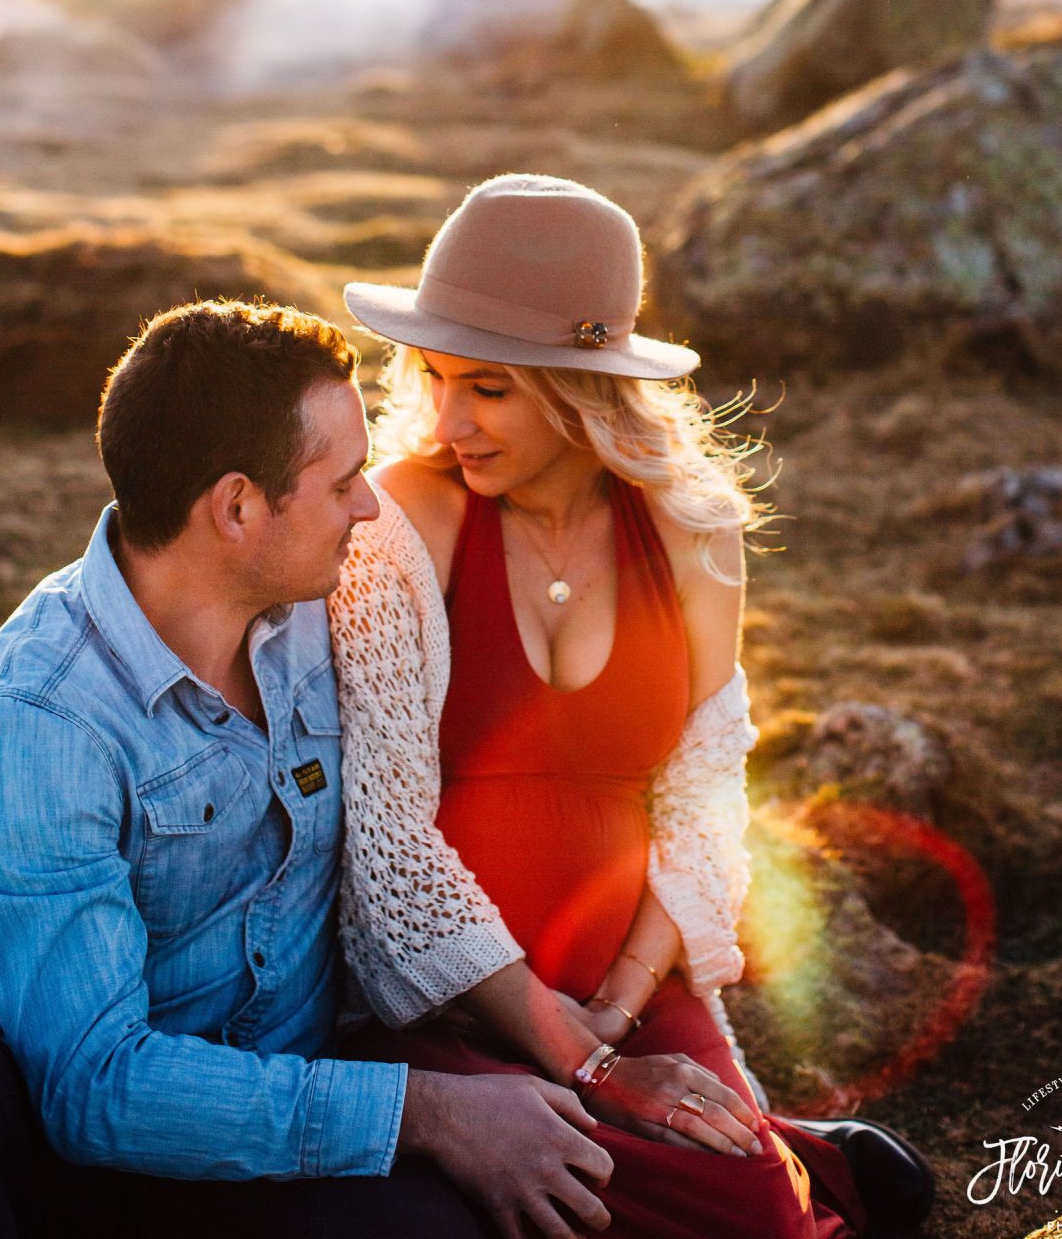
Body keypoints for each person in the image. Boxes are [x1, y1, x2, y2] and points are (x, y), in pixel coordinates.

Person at [0, 299, 614, 1239]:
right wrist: (420, 1110)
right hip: (76, 1163)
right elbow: (94, 1085)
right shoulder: (42, 725)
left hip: (287, 1142)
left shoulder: (327, 607)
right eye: (342, 483)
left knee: (458, 1214)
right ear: (237, 507)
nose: (370, 507)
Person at [332, 173, 933, 1237]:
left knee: (750, 1212)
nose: (450, 417)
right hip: (446, 994)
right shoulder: (401, 520)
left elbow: (705, 795)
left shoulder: (694, 531)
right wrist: (581, 1052)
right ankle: (813, 1151)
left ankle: (797, 1160)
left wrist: (617, 1012)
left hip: (631, 984)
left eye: (489, 387)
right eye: (435, 377)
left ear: (578, 384)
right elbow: (384, 837)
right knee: (531, 1199)